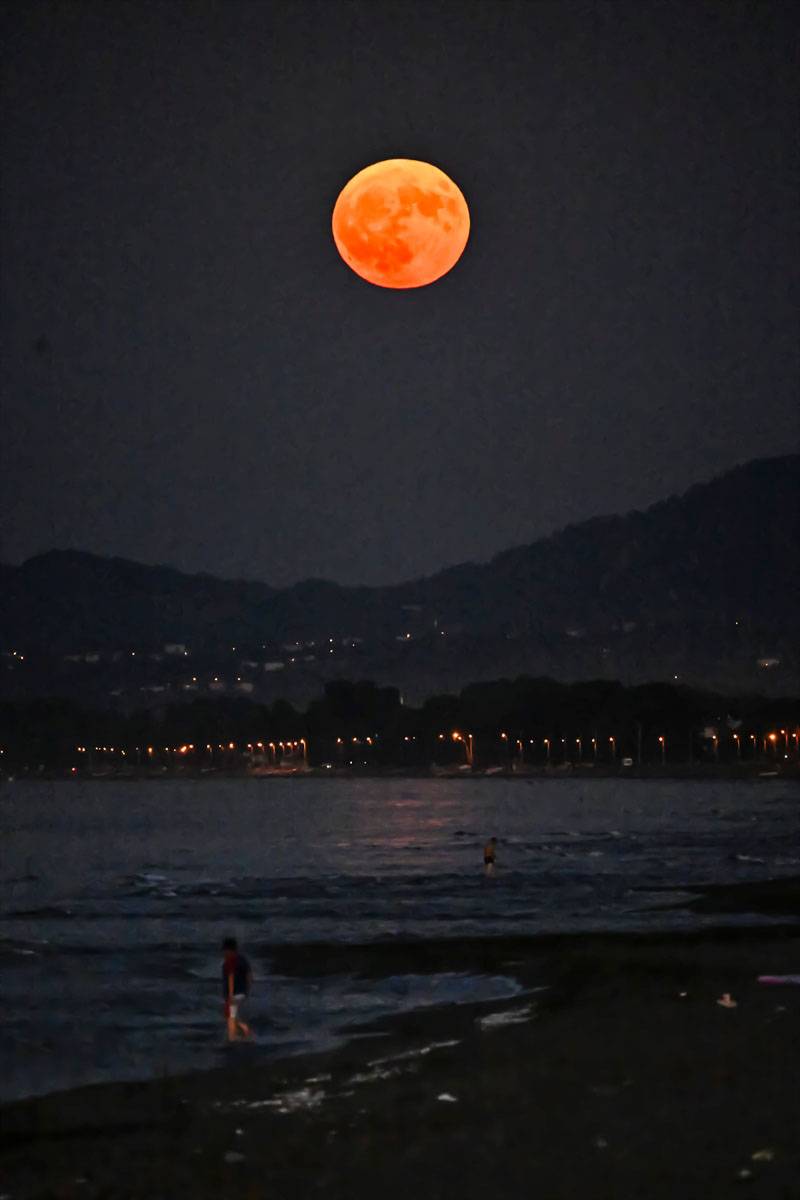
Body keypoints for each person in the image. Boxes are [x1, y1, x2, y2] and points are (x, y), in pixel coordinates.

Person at [221, 936, 252, 1042]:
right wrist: (247, 991)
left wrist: (229, 995)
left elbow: (230, 978)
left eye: (225, 951)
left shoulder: (229, 961)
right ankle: (239, 1033)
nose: (224, 953)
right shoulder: (243, 960)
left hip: (234, 994)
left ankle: (233, 1037)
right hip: (242, 993)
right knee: (232, 1015)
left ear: (229, 950)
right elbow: (249, 976)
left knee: (231, 1016)